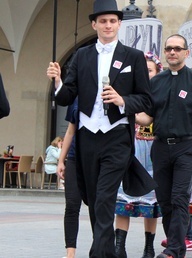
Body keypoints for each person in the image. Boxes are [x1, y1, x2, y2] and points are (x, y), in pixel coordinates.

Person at [46, 0, 152, 256]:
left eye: (112, 21)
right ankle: (107, 251)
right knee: (94, 201)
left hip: (117, 137)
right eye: (103, 21)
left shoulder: (133, 57)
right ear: (94, 24)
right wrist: (58, 81)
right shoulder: (82, 56)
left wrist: (123, 100)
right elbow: (66, 96)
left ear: (119, 24)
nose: (108, 25)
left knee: (104, 198)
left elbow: (147, 100)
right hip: (87, 138)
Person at [137, 34, 192, 258]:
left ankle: (174, 249)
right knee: (164, 201)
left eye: (177, 49)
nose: (172, 52)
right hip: (160, 147)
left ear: (186, 53)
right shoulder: (156, 82)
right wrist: (125, 107)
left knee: (179, 199)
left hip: (186, 147)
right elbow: (147, 118)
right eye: (168, 49)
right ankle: (177, 247)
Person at [113, 52, 164, 258]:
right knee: (122, 200)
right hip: (131, 147)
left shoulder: (160, 91)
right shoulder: (131, 91)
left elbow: (148, 118)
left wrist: (128, 109)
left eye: (150, 70)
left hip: (153, 150)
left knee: (151, 202)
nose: (146, 74)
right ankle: (119, 246)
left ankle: (149, 246)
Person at [56, 98, 82, 258]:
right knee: (72, 205)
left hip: (94, 158)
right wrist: (61, 160)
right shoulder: (76, 98)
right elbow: (70, 130)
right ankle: (70, 252)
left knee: (97, 206)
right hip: (73, 157)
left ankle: (99, 247)